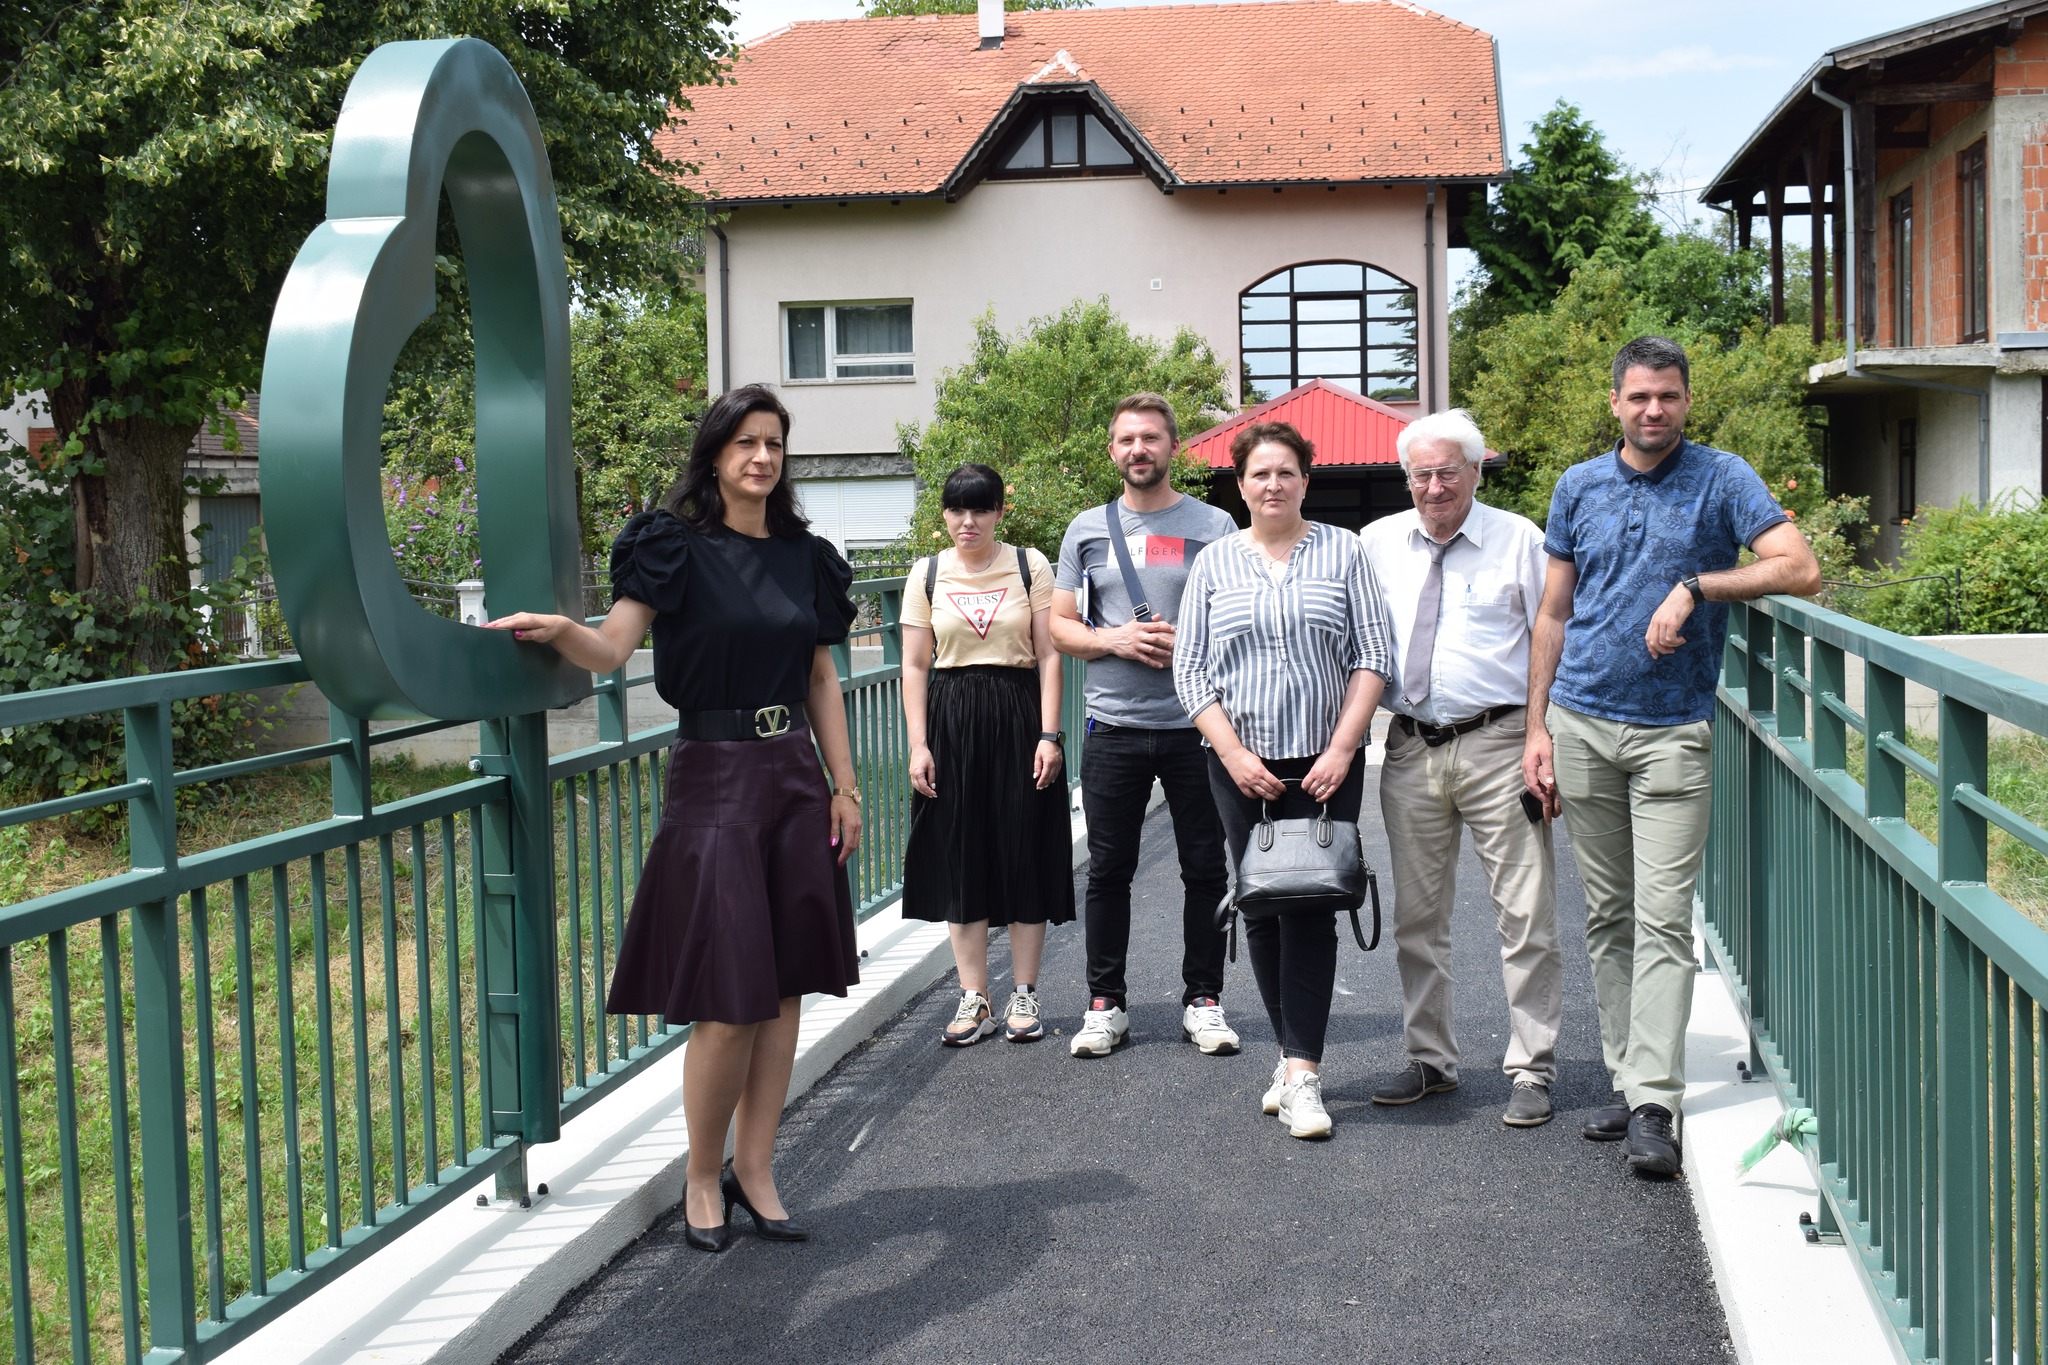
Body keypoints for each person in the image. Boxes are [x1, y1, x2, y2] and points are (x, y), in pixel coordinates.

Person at [488, 384, 862, 1249]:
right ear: (715, 454)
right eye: (745, 442)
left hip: (794, 776)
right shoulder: (674, 546)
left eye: (773, 443)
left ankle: (756, 1169)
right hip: (715, 777)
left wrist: (844, 786)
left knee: (785, 988)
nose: (761, 457)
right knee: (729, 999)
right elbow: (613, 647)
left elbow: (818, 675)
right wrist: (559, 629)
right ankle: (701, 1174)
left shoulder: (806, 557)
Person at [1522, 336, 1821, 1177]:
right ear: (1615, 401)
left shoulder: (1723, 477)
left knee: (1662, 917)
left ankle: (1656, 1101)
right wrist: (1535, 728)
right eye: (1640, 396)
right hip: (1581, 723)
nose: (1654, 409)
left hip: (1672, 733)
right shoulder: (1578, 485)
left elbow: (1800, 567)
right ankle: (1629, 1077)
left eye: (1669, 395)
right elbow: (1553, 614)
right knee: (1609, 916)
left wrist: (1697, 585)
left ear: (1687, 400)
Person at [1176, 421, 1393, 1139]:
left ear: (1306, 479)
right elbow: (1190, 670)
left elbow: (1373, 653)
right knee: (1262, 904)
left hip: (1326, 766)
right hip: (1242, 766)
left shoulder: (1344, 550)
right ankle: (1289, 1055)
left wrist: (1343, 746)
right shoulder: (1214, 563)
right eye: (1259, 474)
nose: (1273, 484)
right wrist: (1234, 755)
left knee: (1312, 906)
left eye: (1286, 472)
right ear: (1240, 485)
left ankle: (1303, 1073)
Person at [1359, 409, 1563, 1128]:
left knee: (1525, 912)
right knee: (1417, 918)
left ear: (1476, 471)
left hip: (1500, 742)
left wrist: (1542, 733)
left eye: (1449, 471)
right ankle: (1430, 1059)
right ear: (1406, 477)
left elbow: (1553, 633)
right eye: (1422, 474)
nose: (1435, 486)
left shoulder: (1520, 539)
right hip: (1410, 746)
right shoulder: (1376, 543)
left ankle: (1532, 1066)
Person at [1050, 393, 1242, 1059]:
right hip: (1114, 726)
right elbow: (1060, 626)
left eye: (1151, 437)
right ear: (1113, 450)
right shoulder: (1086, 529)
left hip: (1199, 725)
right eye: (1128, 439)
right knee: (1107, 870)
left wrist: (1186, 641)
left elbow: (1238, 615)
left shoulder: (1215, 524)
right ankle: (1106, 1004)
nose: (1139, 449)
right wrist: (1116, 639)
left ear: (1172, 446)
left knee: (1205, 868)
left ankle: (1204, 1000)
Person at [901, 463, 1074, 1045]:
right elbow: (915, 665)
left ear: (1000, 511)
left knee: (1025, 846)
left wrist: (1050, 735)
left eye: (980, 509)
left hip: (1020, 716)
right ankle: (974, 995)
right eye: (956, 509)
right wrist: (919, 744)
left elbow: (1049, 654)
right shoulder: (926, 574)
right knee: (961, 852)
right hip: (952, 721)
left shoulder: (1030, 565)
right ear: (944, 515)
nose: (967, 521)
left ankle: (1025, 992)